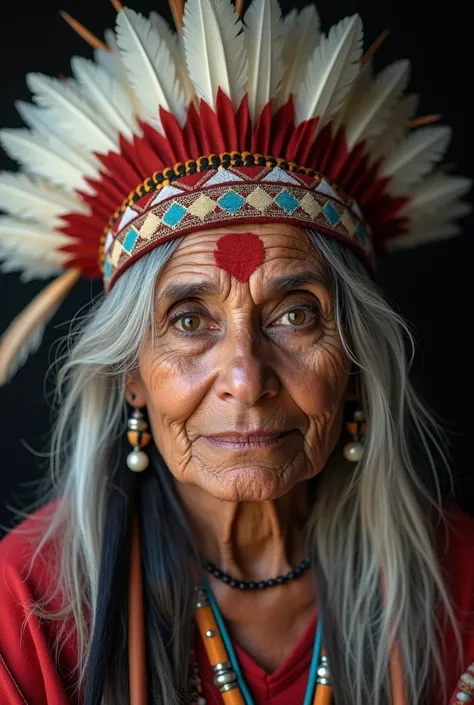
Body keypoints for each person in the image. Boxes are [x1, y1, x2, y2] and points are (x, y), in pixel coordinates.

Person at [0, 1, 472, 704]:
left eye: (294, 313)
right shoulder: (30, 605)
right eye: (190, 321)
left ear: (357, 363)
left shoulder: (459, 580)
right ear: (132, 374)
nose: (247, 379)